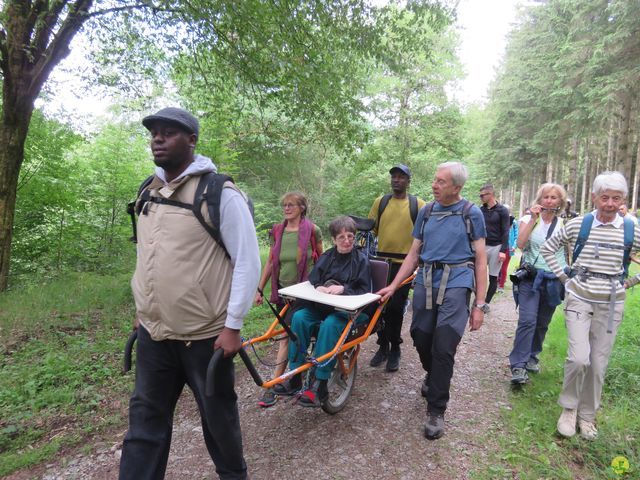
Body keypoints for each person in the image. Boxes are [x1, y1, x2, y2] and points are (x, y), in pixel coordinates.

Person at [119, 107, 260, 480]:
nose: (158, 138)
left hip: (205, 338)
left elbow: (248, 262)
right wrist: (142, 308)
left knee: (219, 422)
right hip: (154, 334)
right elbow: (146, 255)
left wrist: (233, 326)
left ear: (192, 140)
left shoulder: (219, 193)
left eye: (169, 132)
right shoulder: (147, 191)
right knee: (143, 428)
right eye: (154, 133)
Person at [378, 162, 487, 440]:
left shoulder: (471, 213)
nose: (434, 185)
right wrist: (392, 286)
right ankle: (433, 374)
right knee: (420, 335)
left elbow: (481, 259)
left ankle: (436, 410)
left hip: (457, 281)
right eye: (434, 180)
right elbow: (414, 254)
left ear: (457, 188)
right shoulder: (426, 212)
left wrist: (479, 304)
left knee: (444, 344)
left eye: (441, 182)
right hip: (426, 281)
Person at [541, 171, 640, 440]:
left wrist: (630, 282)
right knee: (578, 358)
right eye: (604, 197)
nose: (609, 204)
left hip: (612, 303)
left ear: (623, 200)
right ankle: (569, 409)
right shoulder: (578, 225)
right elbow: (548, 249)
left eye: (616, 198)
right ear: (594, 197)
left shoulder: (632, 229)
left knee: (598, 363)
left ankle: (587, 416)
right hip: (579, 298)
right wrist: (563, 277)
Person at [273, 216, 371, 406]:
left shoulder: (361, 260)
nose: (347, 241)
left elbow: (365, 289)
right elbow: (313, 279)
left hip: (350, 312)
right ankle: (295, 375)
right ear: (333, 239)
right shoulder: (327, 257)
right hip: (324, 306)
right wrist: (319, 287)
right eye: (341, 237)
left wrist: (343, 289)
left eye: (350, 236)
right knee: (300, 317)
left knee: (330, 325)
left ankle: (321, 384)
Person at [254, 192, 323, 408]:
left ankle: (276, 385)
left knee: (287, 337)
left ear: (302, 207)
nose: (286, 208)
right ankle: (291, 379)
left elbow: (321, 261)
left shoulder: (312, 230)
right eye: (284, 205)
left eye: (291, 205)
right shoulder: (277, 230)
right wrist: (260, 288)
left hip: (304, 293)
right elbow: (271, 262)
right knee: (289, 337)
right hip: (283, 292)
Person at [368, 164, 426, 372]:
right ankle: (382, 346)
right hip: (381, 262)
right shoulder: (381, 202)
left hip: (404, 265)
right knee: (377, 307)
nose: (396, 180)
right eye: (394, 176)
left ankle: (395, 348)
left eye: (401, 177)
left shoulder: (418, 204)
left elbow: (425, 235)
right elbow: (370, 231)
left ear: (408, 181)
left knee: (395, 308)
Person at [508, 183, 567, 385]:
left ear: (560, 201)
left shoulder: (565, 224)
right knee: (527, 320)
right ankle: (518, 365)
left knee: (542, 322)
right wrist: (533, 218)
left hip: (553, 280)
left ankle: (533, 355)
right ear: (539, 200)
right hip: (530, 279)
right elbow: (520, 244)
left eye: (554, 197)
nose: (549, 201)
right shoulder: (529, 219)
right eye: (546, 197)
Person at [479, 183, 509, 307]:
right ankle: (478, 300)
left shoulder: (502, 210)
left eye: (482, 195)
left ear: (490, 194)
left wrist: (503, 250)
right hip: (482, 246)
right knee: (477, 274)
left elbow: (506, 231)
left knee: (493, 276)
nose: (480, 197)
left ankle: (486, 303)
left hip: (496, 247)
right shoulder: (481, 210)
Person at [497, 205, 517, 292]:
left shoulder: (514, 222)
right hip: (498, 247)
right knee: (497, 267)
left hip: (508, 248)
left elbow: (517, 235)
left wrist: (514, 246)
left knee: (504, 267)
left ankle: (501, 286)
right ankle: (497, 282)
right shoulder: (498, 220)